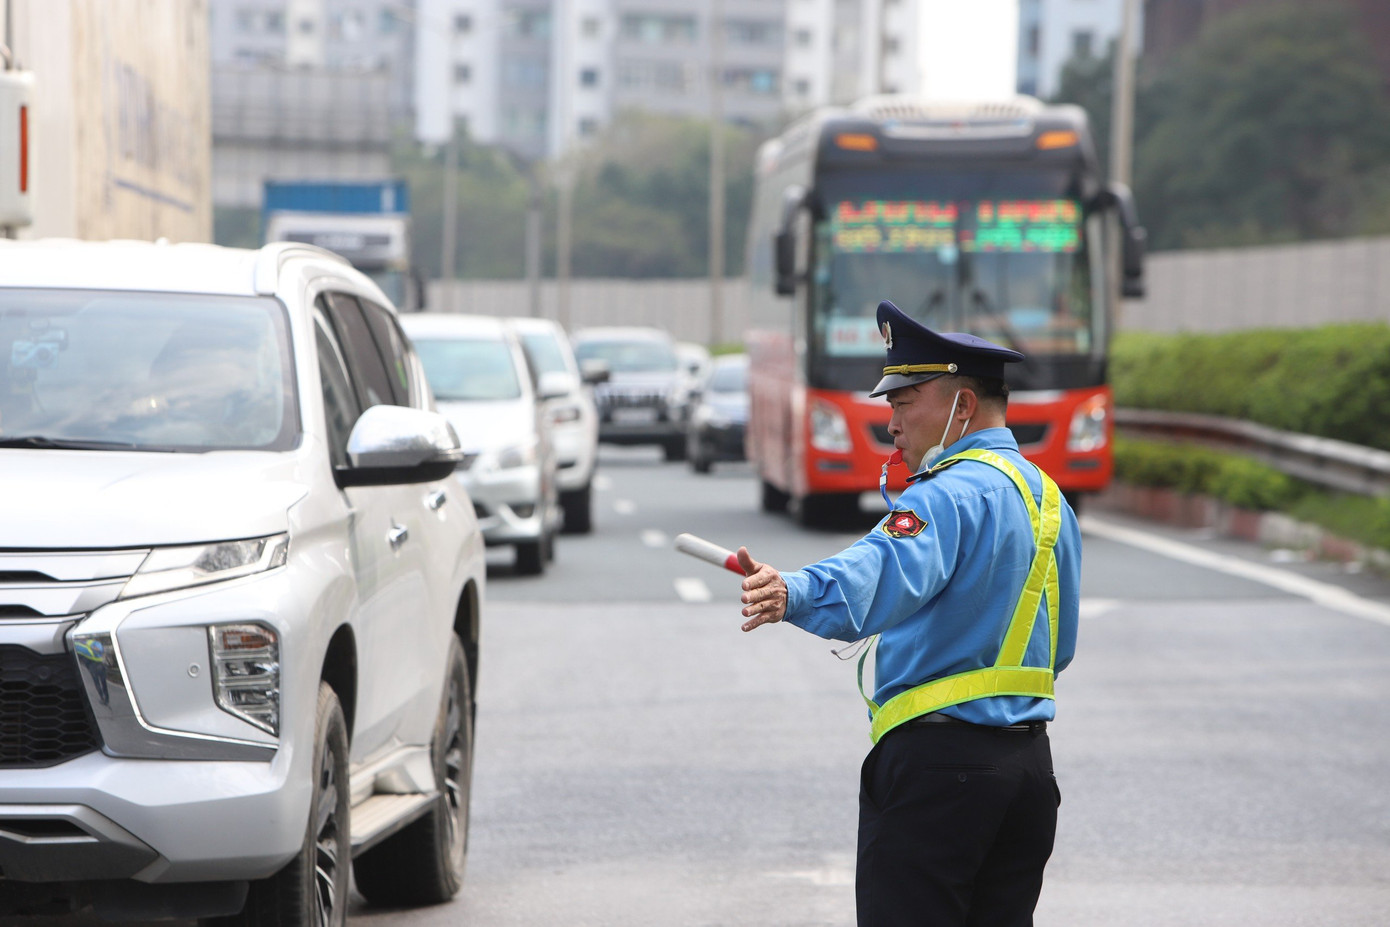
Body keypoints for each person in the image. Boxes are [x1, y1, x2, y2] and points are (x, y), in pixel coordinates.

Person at [736, 299, 1081, 927]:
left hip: (940, 773)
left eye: (903, 404)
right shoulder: (1047, 497)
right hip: (1028, 771)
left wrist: (793, 591)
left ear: (962, 406)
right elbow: (1058, 649)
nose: (891, 423)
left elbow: (880, 573)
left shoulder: (948, 494)